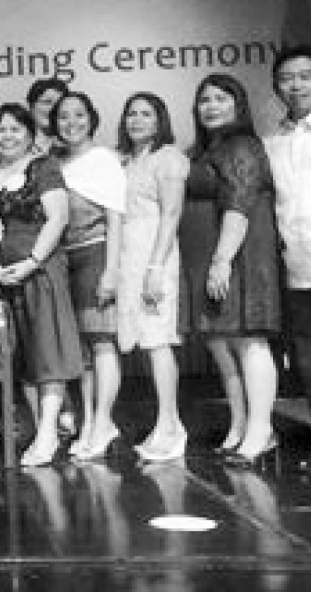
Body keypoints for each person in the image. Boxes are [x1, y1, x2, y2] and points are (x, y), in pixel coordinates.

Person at [0, 103, 81, 467]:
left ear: (31, 135)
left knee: (47, 353)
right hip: (1, 278)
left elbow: (58, 218)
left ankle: (49, 433)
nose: (6, 136)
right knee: (19, 358)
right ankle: (39, 427)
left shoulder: (43, 168)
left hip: (41, 272)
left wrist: (32, 262)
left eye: (16, 129)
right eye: (0, 129)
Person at [180, 74, 281, 467]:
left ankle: (261, 432)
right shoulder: (206, 150)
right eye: (204, 99)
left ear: (238, 104)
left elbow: (239, 206)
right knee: (223, 347)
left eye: (221, 98)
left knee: (249, 342)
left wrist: (222, 259)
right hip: (210, 257)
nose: (211, 106)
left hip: (240, 256)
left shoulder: (241, 147)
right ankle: (240, 426)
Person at [50, 92, 126, 460]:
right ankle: (89, 421)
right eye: (63, 116)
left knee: (102, 342)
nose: (71, 123)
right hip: (66, 258)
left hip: (96, 253)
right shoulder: (56, 163)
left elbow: (116, 218)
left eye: (79, 115)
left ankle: (104, 422)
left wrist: (111, 271)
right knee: (81, 350)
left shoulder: (104, 160)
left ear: (91, 118)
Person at [116, 92, 189, 462]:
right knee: (145, 342)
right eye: (132, 114)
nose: (137, 120)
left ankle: (172, 425)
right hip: (129, 256)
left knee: (159, 340)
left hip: (154, 254)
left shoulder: (169, 158)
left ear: (160, 119)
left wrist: (156, 267)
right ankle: (163, 423)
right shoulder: (128, 160)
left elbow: (172, 214)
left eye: (146, 114)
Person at [265, 44, 311, 470]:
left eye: (305, 75)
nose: (296, 84)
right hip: (297, 267)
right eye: (287, 78)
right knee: (309, 357)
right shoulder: (273, 141)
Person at [26, 78, 69, 156]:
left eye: (58, 104)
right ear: (31, 106)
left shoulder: (71, 149)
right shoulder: (15, 146)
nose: (52, 109)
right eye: (47, 102)